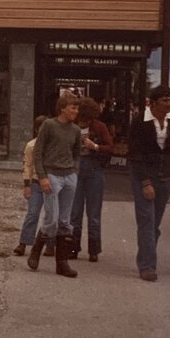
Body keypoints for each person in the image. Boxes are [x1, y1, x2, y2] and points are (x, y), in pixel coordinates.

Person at [127, 86, 170, 282]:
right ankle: (148, 266)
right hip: (145, 175)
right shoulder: (139, 122)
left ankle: (145, 254)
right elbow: (134, 154)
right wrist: (145, 182)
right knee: (147, 221)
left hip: (164, 175)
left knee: (155, 222)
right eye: (165, 100)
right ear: (154, 102)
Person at [28, 93, 82, 278]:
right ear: (62, 108)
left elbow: (77, 152)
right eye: (72, 107)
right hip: (52, 175)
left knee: (65, 221)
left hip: (69, 176)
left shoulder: (75, 130)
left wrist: (75, 170)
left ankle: (62, 263)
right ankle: (37, 248)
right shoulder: (49, 125)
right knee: (51, 218)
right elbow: (38, 152)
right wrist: (42, 177)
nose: (76, 111)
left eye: (77, 107)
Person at [67, 97, 113, 262]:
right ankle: (75, 247)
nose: (85, 121)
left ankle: (91, 250)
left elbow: (110, 147)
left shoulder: (99, 127)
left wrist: (95, 147)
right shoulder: (71, 126)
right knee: (76, 213)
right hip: (80, 168)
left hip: (92, 168)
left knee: (92, 213)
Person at [14, 116, 48, 256]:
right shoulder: (31, 146)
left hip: (50, 182)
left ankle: (50, 244)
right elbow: (27, 165)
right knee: (32, 213)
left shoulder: (53, 145)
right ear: (36, 129)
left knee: (51, 215)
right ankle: (24, 242)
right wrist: (26, 184)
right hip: (35, 182)